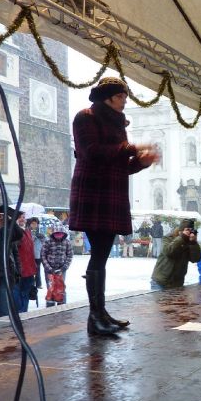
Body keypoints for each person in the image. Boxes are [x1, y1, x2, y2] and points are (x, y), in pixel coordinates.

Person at [69, 76, 160, 336]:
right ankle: (95, 317)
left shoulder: (118, 125)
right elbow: (92, 152)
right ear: (108, 97)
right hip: (93, 192)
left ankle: (99, 314)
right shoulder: (85, 117)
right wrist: (132, 148)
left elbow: (120, 164)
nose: (125, 101)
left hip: (111, 193)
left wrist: (142, 162)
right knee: (98, 255)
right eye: (121, 97)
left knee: (102, 256)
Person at [151, 219, 201, 289]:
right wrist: (182, 238)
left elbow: (196, 259)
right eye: (187, 230)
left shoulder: (189, 242)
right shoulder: (168, 238)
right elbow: (169, 252)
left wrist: (193, 243)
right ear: (180, 231)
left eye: (191, 230)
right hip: (161, 282)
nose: (189, 233)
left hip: (177, 283)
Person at [0, 206, 24, 317]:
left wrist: (9, 219)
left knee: (5, 309)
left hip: (4, 273)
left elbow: (19, 234)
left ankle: (4, 332)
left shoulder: (4, 233)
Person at [41, 224, 73, 307]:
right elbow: (43, 255)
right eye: (56, 233)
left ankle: (61, 304)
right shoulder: (47, 241)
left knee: (61, 286)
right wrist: (49, 268)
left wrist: (64, 267)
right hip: (49, 270)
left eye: (60, 233)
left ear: (63, 234)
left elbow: (69, 255)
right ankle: (50, 305)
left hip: (62, 269)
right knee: (51, 286)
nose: (58, 235)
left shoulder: (67, 242)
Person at [27, 217, 45, 289]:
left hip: (38, 254)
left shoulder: (41, 231)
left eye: (36, 224)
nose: (34, 225)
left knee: (37, 269)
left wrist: (42, 238)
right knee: (30, 269)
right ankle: (31, 283)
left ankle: (38, 283)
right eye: (33, 223)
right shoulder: (27, 231)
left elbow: (45, 242)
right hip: (29, 254)